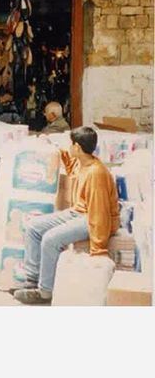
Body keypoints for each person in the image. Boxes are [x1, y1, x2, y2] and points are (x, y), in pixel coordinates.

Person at [14, 127, 120, 305]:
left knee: (50, 239)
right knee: (33, 227)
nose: (69, 147)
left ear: (78, 147)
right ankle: (31, 280)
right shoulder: (82, 162)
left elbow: (100, 213)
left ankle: (45, 291)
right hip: (77, 212)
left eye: (71, 144)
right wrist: (52, 146)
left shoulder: (97, 173)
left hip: (91, 217)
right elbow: (70, 165)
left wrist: (99, 249)